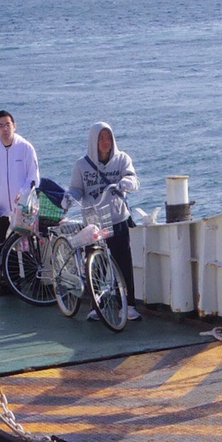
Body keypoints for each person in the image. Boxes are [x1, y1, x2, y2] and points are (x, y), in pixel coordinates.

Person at [64, 121, 141, 322]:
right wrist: (69, 197)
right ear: (93, 141)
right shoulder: (81, 165)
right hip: (93, 222)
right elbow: (76, 188)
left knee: (123, 263)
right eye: (101, 138)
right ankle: (96, 305)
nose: (105, 142)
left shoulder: (122, 159)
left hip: (117, 218)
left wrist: (125, 183)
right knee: (94, 263)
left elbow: (133, 179)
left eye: (108, 137)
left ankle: (129, 305)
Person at [0, 109, 40, 247]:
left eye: (8, 124)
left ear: (14, 126)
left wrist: (22, 193)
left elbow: (34, 177)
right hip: (1, 210)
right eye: (0, 125)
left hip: (23, 212)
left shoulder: (26, 148)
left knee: (25, 252)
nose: (5, 128)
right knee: (3, 250)